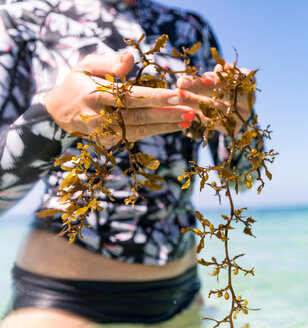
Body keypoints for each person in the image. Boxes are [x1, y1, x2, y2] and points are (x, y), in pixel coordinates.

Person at [0, 0, 256, 327]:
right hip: (64, 301)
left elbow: (239, 179)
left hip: (183, 296)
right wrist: (53, 117)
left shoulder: (191, 28)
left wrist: (240, 125)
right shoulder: (24, 16)